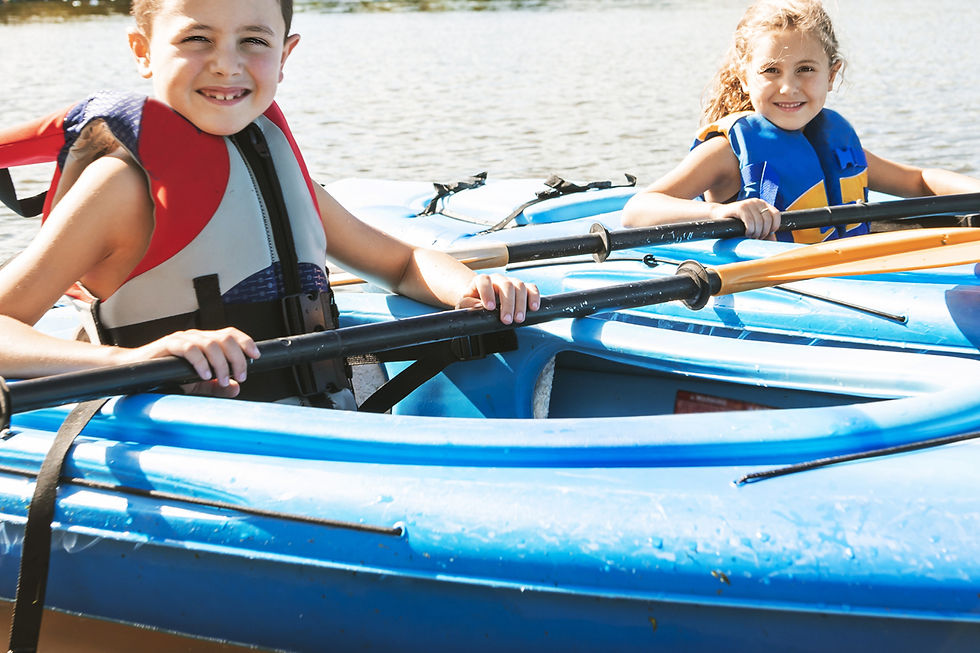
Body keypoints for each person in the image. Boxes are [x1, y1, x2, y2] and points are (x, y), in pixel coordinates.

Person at [0, 0, 539, 406]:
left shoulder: (269, 163)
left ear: (286, 54)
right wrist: (130, 361)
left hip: (316, 427)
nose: (225, 65)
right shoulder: (120, 188)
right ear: (143, 52)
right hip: (187, 451)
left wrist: (470, 288)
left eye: (253, 40)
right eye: (196, 39)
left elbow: (400, 263)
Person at [622, 0, 980, 242]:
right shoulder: (726, 153)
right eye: (771, 71)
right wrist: (721, 211)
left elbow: (918, 181)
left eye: (806, 69)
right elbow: (638, 210)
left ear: (832, 74)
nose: (789, 87)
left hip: (849, 277)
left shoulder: (834, 141)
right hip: (774, 291)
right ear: (745, 78)